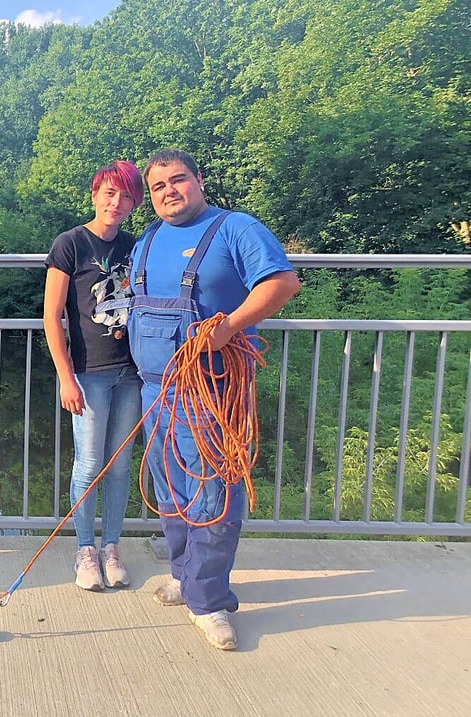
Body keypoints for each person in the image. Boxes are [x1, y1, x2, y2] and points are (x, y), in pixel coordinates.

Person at [128, 148, 301, 650]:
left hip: (213, 389)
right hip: (155, 388)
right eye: (159, 187)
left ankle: (210, 602)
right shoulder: (150, 238)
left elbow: (282, 283)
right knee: (172, 489)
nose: (169, 192)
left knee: (214, 495)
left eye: (178, 181)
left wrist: (229, 326)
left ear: (199, 181)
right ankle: (186, 577)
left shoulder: (235, 229)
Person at [43, 160, 145, 592]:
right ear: (94, 194)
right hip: (89, 373)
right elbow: (51, 317)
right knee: (88, 465)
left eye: (125, 196)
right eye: (109, 193)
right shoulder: (70, 244)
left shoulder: (136, 246)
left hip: (133, 372)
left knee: (119, 465)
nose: (116, 203)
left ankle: (111, 548)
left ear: (134, 203)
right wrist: (66, 377)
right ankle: (85, 550)